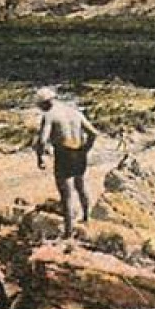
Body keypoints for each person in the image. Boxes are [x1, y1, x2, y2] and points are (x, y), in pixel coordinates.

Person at [34, 86, 101, 239]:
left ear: (44, 104)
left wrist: (40, 158)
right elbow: (93, 133)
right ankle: (86, 217)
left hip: (64, 154)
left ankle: (68, 232)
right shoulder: (74, 112)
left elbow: (43, 140)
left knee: (67, 195)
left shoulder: (50, 116)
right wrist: (86, 149)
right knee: (81, 186)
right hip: (79, 151)